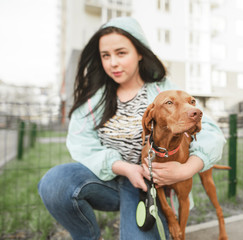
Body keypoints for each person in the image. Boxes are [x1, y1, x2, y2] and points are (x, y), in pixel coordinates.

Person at [38, 17, 226, 240]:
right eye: (105, 56)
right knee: (54, 183)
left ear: (139, 53)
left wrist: (187, 168)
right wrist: (125, 168)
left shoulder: (164, 92)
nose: (113, 63)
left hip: (148, 187)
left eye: (121, 53)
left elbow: (211, 132)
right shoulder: (94, 100)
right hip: (105, 180)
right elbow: (81, 142)